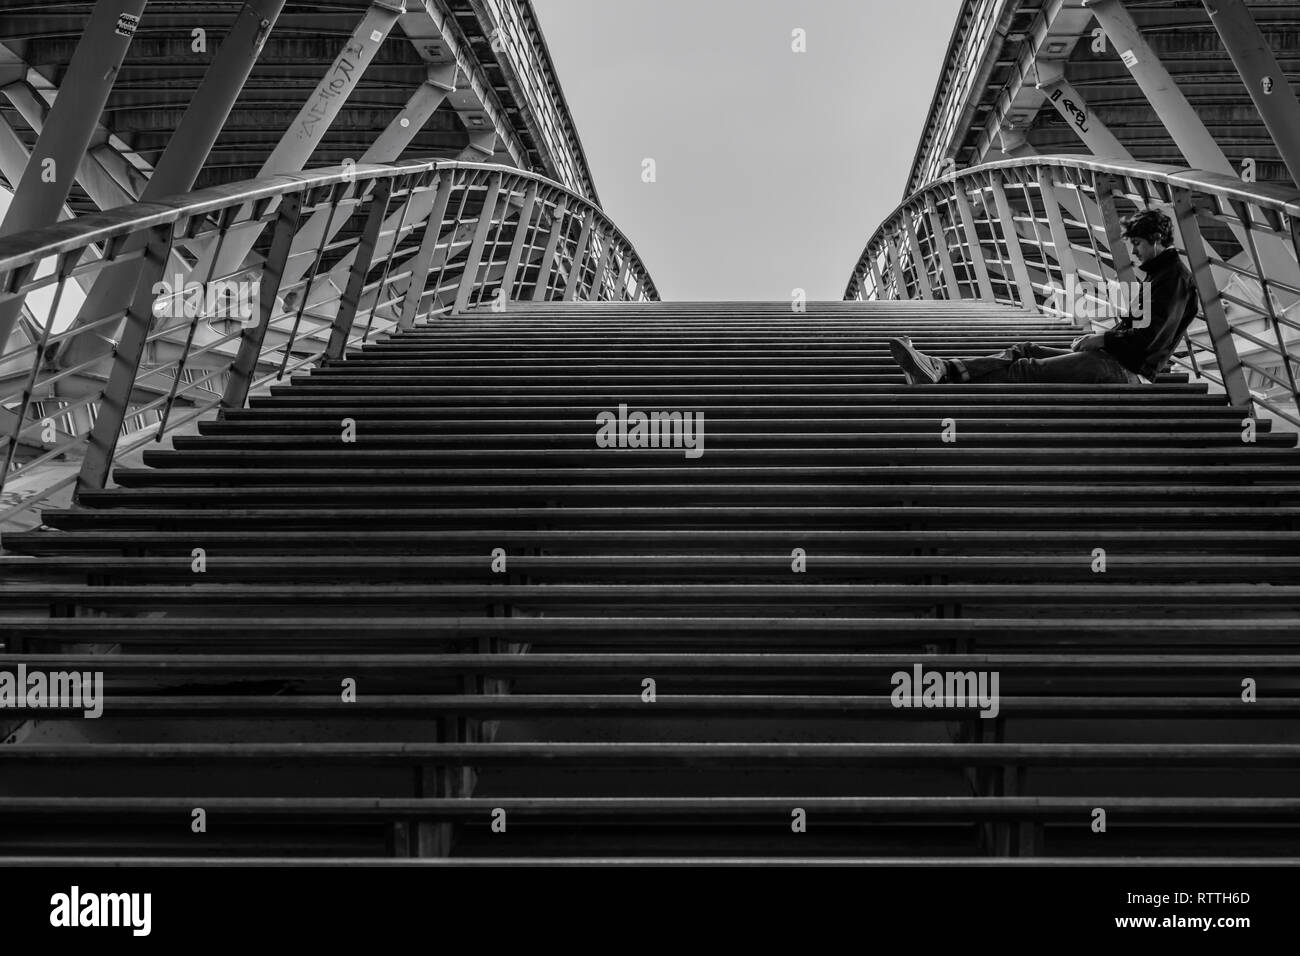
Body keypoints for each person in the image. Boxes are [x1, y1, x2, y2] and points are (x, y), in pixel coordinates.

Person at [887, 208, 1199, 386]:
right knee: (1025, 350)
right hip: (1114, 360)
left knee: (1027, 368)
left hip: (1127, 373)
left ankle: (943, 375)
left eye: (1138, 244)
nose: (1134, 252)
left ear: (1157, 240)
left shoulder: (1175, 280)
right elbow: (1140, 333)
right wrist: (1098, 339)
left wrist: (1102, 341)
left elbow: (1147, 340)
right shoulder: (1162, 276)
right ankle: (943, 368)